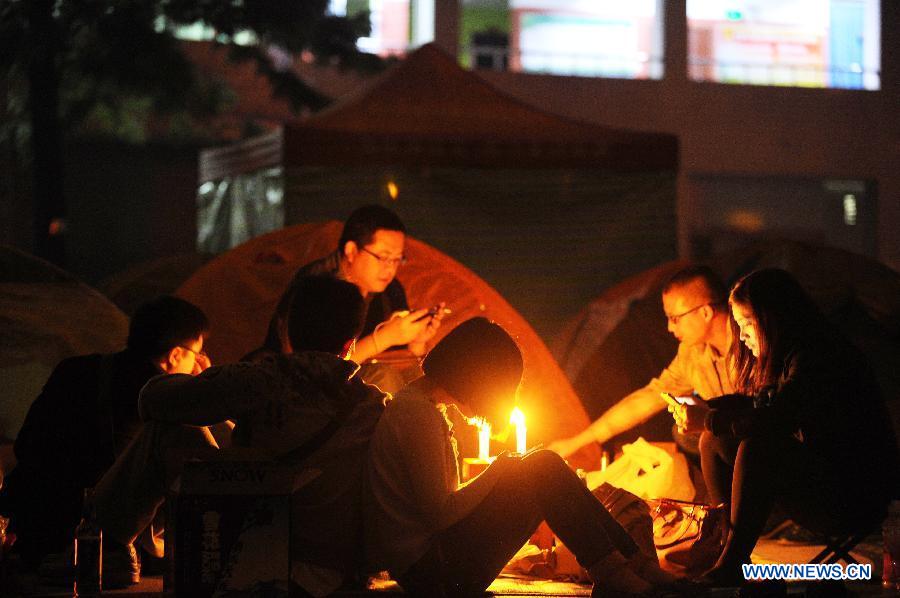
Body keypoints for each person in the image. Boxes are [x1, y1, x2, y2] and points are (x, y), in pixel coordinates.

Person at [90, 276, 388, 593]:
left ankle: (109, 544)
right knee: (220, 430)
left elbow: (152, 399)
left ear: (287, 329)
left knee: (170, 431)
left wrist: (201, 381)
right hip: (333, 566)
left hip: (255, 543)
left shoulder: (262, 379)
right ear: (351, 342)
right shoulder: (374, 405)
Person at [365, 317, 677, 597]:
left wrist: (507, 471)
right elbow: (441, 513)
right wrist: (500, 468)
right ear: (474, 378)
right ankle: (620, 570)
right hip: (433, 576)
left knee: (545, 463)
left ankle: (631, 565)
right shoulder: (417, 415)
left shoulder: (425, 408)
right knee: (541, 467)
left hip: (437, 562)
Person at [670, 268, 898, 585]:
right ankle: (727, 551)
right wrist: (712, 411)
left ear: (774, 319)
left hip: (853, 495)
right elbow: (767, 403)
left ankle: (732, 562)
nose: (743, 335)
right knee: (714, 440)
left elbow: (776, 418)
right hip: (820, 480)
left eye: (747, 324)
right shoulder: (792, 354)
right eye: (738, 325)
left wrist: (709, 418)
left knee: (759, 444)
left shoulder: (820, 355)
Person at [0, 295, 209, 567]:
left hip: (27, 524)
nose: (199, 363)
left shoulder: (73, 369)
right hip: (91, 537)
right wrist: (200, 388)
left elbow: (25, 445)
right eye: (197, 354)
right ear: (176, 355)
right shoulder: (163, 398)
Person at [549, 265, 736, 460]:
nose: (670, 328)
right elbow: (646, 399)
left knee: (707, 433)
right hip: (731, 443)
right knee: (684, 432)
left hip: (759, 442)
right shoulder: (693, 353)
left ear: (705, 313)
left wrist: (710, 418)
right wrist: (576, 442)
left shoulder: (753, 342)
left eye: (675, 318)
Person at [264, 205, 444, 365]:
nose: (390, 268)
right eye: (383, 257)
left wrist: (417, 341)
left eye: (397, 259)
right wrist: (385, 337)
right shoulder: (316, 286)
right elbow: (314, 369)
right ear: (351, 251)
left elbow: (402, 365)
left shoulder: (390, 289)